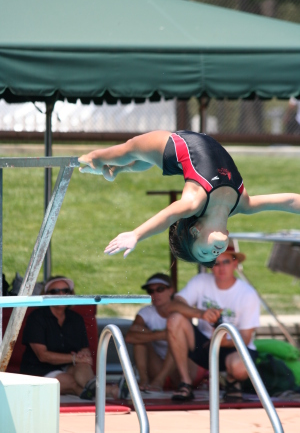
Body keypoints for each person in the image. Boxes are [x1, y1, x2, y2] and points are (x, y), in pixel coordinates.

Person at [79, 130, 300, 267]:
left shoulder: (195, 201)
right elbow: (288, 202)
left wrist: (137, 234)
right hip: (184, 156)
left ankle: (92, 160)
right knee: (144, 160)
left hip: (172, 145)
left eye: (205, 252)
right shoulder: (243, 204)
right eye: (214, 255)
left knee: (130, 148)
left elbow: (168, 216)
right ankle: (116, 171)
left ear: (195, 231)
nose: (215, 253)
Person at [165, 244, 260, 401]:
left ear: (235, 264)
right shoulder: (200, 281)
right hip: (206, 344)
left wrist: (225, 342)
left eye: (226, 262)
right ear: (210, 267)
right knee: (175, 319)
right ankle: (185, 382)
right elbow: (173, 305)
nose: (221, 268)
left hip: (234, 348)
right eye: (216, 263)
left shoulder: (248, 294)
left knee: (240, 367)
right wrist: (201, 314)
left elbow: (245, 338)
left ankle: (232, 380)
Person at [20, 276, 117, 400]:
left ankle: (100, 391)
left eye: (65, 291)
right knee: (71, 381)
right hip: (39, 371)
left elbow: (84, 348)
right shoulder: (36, 318)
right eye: (55, 291)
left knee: (83, 367)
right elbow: (42, 355)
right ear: (45, 294)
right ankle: (111, 391)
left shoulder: (76, 319)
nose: (61, 294)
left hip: (68, 366)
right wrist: (75, 358)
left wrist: (84, 357)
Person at [125, 273, 202, 392]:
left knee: (175, 338)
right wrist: (161, 335)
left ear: (171, 291)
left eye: (160, 289)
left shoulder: (181, 311)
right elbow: (130, 337)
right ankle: (144, 379)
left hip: (186, 370)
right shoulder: (145, 312)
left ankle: (159, 380)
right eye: (151, 291)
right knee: (138, 332)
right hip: (158, 366)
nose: (155, 294)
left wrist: (168, 335)